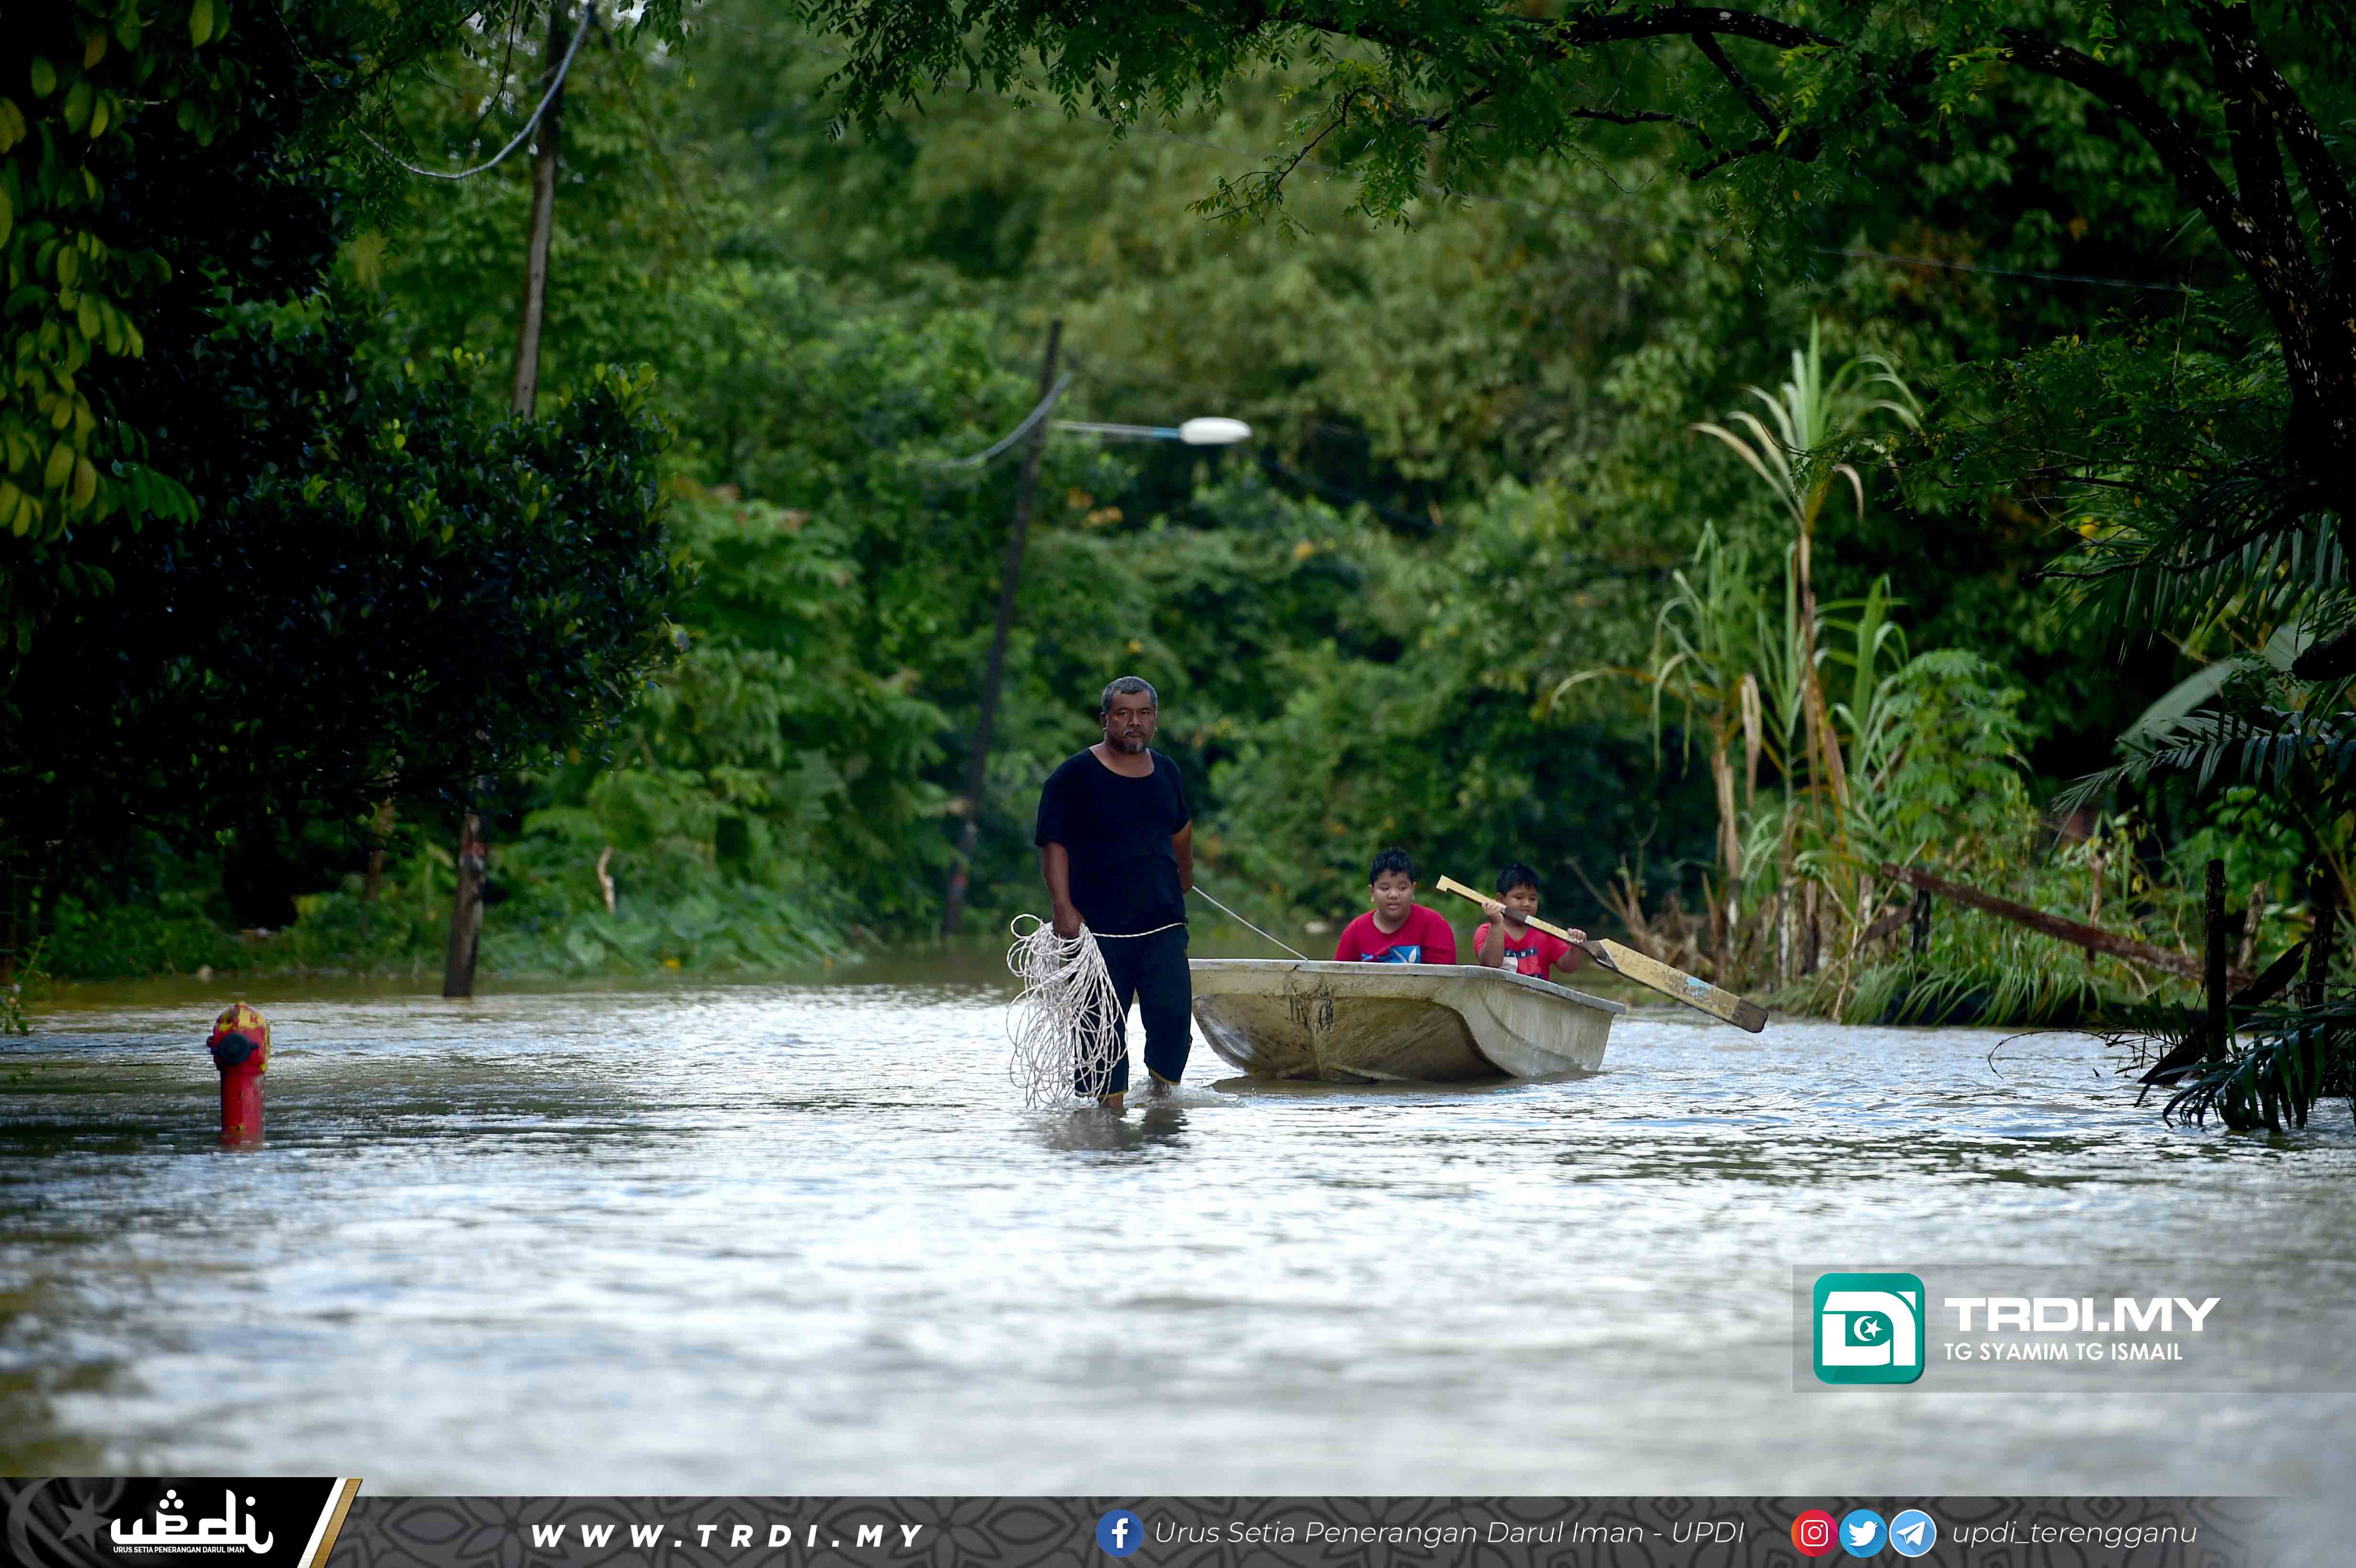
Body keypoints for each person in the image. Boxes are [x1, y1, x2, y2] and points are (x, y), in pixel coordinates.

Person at [1034, 675, 1194, 1111]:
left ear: (1155, 720)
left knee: (1173, 1021)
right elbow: (1054, 845)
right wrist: (1063, 908)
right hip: (1097, 932)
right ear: (1105, 720)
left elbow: (1181, 829)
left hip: (1162, 924)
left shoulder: (1168, 771)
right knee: (1100, 1032)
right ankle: (1109, 1119)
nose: (1134, 722)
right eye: (1124, 714)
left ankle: (1161, 1106)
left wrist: (1185, 876)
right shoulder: (1073, 776)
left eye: (1144, 714)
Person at [1333, 848, 1459, 963]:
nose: (1394, 895)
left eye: (1402, 888)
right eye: (1385, 888)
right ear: (1372, 892)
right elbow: (1338, 975)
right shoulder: (1355, 931)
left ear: (1413, 890)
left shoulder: (1435, 926)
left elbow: (1445, 977)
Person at [1473, 862, 1588, 980]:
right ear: (1501, 900)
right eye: (1519, 898)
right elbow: (1491, 964)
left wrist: (1576, 947)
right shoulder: (1486, 931)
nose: (1527, 904)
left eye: (1533, 899)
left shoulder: (1545, 933)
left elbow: (1568, 967)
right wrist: (1497, 923)